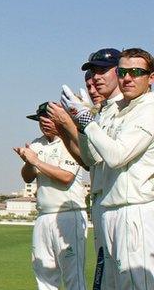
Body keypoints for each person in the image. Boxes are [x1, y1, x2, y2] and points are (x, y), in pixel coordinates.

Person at [62, 48, 154, 289]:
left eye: (136, 72)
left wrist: (86, 122)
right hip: (110, 209)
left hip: (135, 209)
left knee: (136, 283)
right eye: (123, 72)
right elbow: (92, 158)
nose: (127, 78)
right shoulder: (119, 109)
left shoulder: (149, 109)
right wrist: (82, 126)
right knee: (111, 284)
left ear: (151, 77)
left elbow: (116, 156)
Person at [50, 48, 122, 289]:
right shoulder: (102, 113)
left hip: (127, 205)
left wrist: (74, 122)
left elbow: (110, 156)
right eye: (90, 78)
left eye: (102, 71)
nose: (93, 83)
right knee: (107, 279)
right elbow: (89, 160)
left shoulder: (127, 110)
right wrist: (71, 126)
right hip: (104, 202)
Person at [14, 102, 87, 290]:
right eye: (40, 119)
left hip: (68, 215)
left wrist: (36, 161)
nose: (44, 122)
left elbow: (66, 177)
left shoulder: (70, 142)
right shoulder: (37, 144)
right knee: (44, 274)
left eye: (48, 118)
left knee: (73, 276)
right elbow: (27, 177)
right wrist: (29, 163)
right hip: (43, 216)